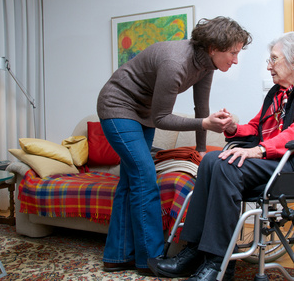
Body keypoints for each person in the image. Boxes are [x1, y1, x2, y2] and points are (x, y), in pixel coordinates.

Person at [148, 31, 294, 281]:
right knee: (211, 161)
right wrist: (233, 128)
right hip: (272, 161)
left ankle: (218, 264)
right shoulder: (277, 93)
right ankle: (193, 250)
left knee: (227, 167)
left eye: (274, 59)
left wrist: (257, 150)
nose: (269, 66)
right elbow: (256, 127)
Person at [96, 16, 252, 275]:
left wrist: (201, 151)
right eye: (233, 52)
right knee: (145, 178)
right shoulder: (175, 62)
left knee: (130, 181)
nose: (236, 60)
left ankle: (117, 255)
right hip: (117, 106)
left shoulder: (206, 65)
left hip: (142, 113)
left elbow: (201, 108)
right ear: (214, 48)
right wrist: (204, 124)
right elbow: (163, 118)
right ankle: (151, 259)